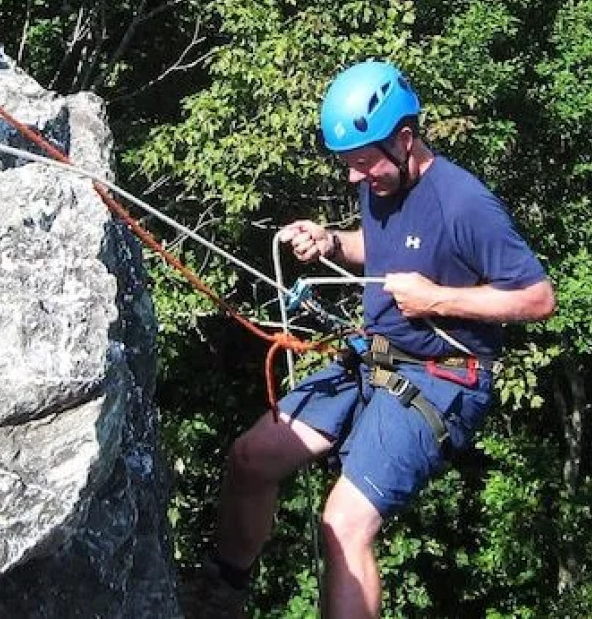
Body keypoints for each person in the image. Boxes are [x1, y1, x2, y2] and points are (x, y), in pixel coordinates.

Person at [185, 60, 556, 619]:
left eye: (363, 163)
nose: (355, 178)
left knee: (343, 524)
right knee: (251, 457)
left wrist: (438, 300)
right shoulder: (382, 182)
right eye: (348, 165)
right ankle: (223, 594)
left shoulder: (464, 203)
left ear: (405, 140)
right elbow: (383, 247)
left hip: (444, 377)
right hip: (373, 358)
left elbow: (537, 298)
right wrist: (332, 242)